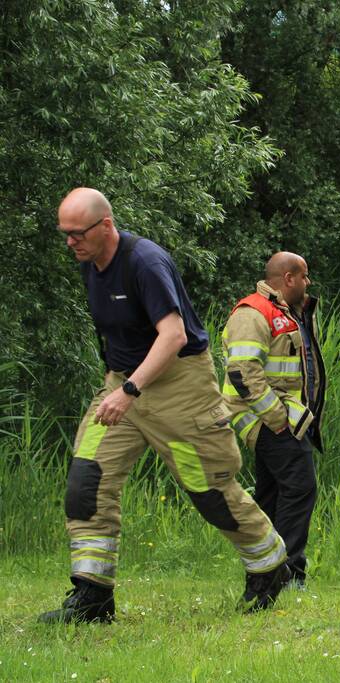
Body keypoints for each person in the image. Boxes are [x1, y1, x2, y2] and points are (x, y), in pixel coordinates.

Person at [41, 188, 291, 624]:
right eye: (64, 234)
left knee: (210, 492)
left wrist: (130, 390)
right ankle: (92, 597)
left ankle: (269, 567)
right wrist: (118, 385)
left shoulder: (145, 262)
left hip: (178, 387)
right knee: (87, 481)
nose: (70, 242)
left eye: (77, 233)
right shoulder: (91, 263)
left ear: (105, 226)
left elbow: (172, 335)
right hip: (124, 387)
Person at [221, 252, 326, 589]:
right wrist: (277, 419)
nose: (308, 283)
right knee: (300, 486)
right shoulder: (253, 313)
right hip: (266, 419)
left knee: (272, 494)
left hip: (282, 419)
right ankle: (289, 573)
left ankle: (266, 569)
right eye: (305, 276)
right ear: (289, 277)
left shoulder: (285, 312)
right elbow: (242, 372)